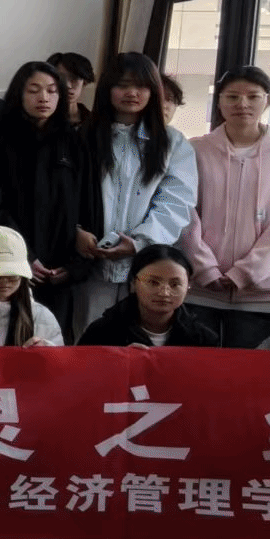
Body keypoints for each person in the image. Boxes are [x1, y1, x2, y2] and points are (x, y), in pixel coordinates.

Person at [177, 65, 270, 349]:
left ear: (268, 101)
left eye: (253, 96)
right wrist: (205, 269)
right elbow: (185, 214)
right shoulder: (195, 149)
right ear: (219, 101)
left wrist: (246, 273)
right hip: (199, 288)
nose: (242, 104)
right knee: (194, 367)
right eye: (232, 96)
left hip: (261, 293)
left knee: (249, 371)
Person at [74, 52, 198, 338]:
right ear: (108, 89)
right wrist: (76, 231)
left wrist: (140, 242)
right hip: (90, 263)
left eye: (141, 86)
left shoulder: (172, 142)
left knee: (144, 340)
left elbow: (176, 201)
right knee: (90, 338)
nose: (132, 93)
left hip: (148, 264)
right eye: (123, 85)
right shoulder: (83, 136)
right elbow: (66, 195)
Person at [0, 61, 87, 333]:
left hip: (60, 269)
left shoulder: (74, 141)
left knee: (53, 343)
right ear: (19, 94)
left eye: (52, 91)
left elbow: (87, 203)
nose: (43, 98)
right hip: (10, 264)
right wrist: (24, 256)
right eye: (34, 90)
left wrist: (74, 265)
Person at [77, 244, 215, 347]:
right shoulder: (102, 332)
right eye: (153, 282)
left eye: (174, 284)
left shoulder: (203, 339)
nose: (164, 293)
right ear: (133, 283)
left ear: (188, 286)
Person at [47, 51, 95, 126]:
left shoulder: (94, 122)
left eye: (74, 78)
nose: (68, 85)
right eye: (61, 78)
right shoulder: (41, 119)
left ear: (84, 82)